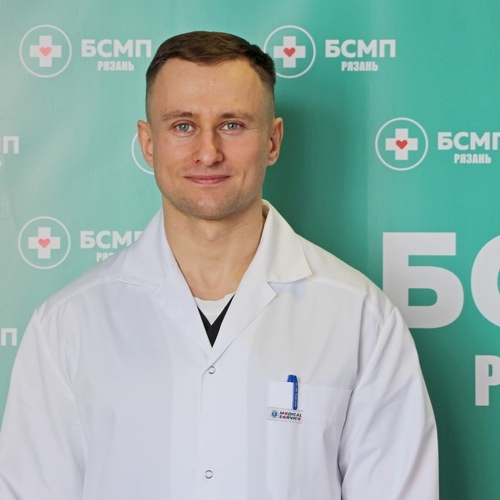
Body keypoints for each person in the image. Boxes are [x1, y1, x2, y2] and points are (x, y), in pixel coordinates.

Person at [0, 31, 438, 499]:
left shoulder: (361, 318)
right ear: (148, 143)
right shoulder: (67, 324)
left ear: (272, 141)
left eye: (232, 124)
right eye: (182, 126)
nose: (208, 152)